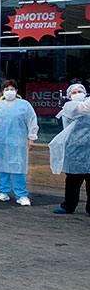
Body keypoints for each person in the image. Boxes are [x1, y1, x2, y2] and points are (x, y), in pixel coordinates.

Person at [49, 83, 90, 215]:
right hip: (74, 149)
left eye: (80, 91)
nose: (78, 94)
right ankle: (68, 206)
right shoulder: (69, 107)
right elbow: (83, 108)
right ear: (69, 96)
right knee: (73, 179)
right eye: (74, 92)